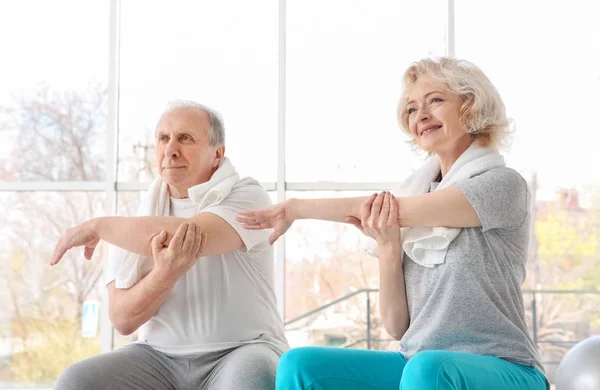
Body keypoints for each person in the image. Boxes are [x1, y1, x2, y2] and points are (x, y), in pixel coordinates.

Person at [236, 57, 548, 390]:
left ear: (470, 106)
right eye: (412, 109)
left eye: (435, 101)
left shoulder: (502, 184)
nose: (421, 115)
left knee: (429, 369)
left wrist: (295, 208)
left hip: (505, 369)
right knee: (301, 365)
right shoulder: (416, 197)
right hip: (420, 365)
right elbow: (398, 327)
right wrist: (388, 246)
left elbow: (392, 210)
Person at [50, 100, 288, 390]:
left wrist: (97, 226)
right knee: (77, 381)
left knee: (250, 379)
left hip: (242, 349)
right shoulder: (131, 220)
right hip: (157, 358)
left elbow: (191, 234)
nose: (171, 150)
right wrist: (165, 274)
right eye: (163, 138)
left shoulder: (248, 196)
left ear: (218, 153)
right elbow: (123, 320)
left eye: (185, 139)